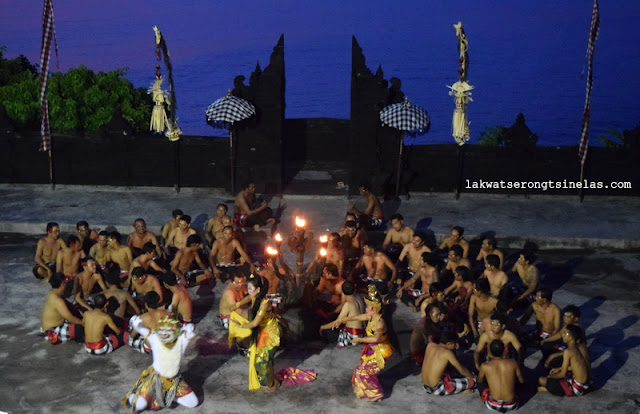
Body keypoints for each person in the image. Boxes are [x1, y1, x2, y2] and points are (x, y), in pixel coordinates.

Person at [123, 316, 198, 411]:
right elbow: (140, 328)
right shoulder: (154, 337)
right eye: (162, 331)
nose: (164, 334)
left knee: (193, 403)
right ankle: (136, 394)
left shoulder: (181, 340)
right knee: (139, 406)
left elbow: (191, 330)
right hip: (155, 380)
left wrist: (189, 328)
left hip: (173, 381)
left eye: (168, 331)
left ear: (175, 332)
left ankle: (168, 397)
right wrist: (136, 322)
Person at [334, 284, 393, 402]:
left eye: (368, 308)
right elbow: (357, 317)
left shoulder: (379, 323)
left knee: (364, 372)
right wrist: (341, 319)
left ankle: (376, 394)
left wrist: (360, 340)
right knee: (360, 369)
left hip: (381, 352)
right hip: (373, 349)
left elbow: (375, 339)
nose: (366, 309)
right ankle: (367, 390)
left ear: (375, 309)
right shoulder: (371, 317)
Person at [229, 275, 282, 391]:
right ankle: (269, 378)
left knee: (262, 358)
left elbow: (254, 323)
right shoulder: (255, 296)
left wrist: (240, 326)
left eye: (249, 288)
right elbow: (248, 299)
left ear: (258, 290)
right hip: (260, 330)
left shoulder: (264, 303)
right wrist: (237, 305)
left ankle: (273, 383)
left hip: (268, 331)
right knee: (259, 358)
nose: (247, 291)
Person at [538, 325, 591, 397]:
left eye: (565, 333)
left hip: (577, 388)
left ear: (571, 337)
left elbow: (562, 374)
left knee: (541, 380)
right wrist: (559, 368)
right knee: (556, 371)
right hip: (587, 383)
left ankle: (551, 388)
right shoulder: (582, 346)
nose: (562, 335)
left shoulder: (568, 351)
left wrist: (550, 377)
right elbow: (580, 366)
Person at [421, 331, 476, 396]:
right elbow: (462, 370)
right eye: (455, 344)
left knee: (449, 370)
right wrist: (473, 377)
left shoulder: (430, 345)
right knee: (473, 382)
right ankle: (456, 391)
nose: (456, 346)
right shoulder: (447, 353)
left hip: (425, 386)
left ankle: (455, 389)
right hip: (438, 389)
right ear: (450, 344)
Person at [477, 339, 524, 412]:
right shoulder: (513, 363)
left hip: (493, 405)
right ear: (504, 351)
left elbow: (480, 381)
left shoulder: (485, 365)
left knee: (479, 382)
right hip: (512, 405)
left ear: (490, 353)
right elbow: (521, 380)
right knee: (520, 384)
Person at [40, 272, 84, 344]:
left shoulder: (52, 293)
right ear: (63, 283)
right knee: (79, 328)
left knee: (76, 308)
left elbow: (70, 306)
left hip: (50, 327)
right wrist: (84, 323)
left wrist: (79, 312)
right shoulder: (58, 300)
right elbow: (70, 318)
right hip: (53, 331)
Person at [319, 281, 365, 348]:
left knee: (326, 331)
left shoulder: (348, 304)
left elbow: (337, 323)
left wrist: (323, 327)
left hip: (353, 337)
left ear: (343, 292)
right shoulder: (359, 298)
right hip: (362, 334)